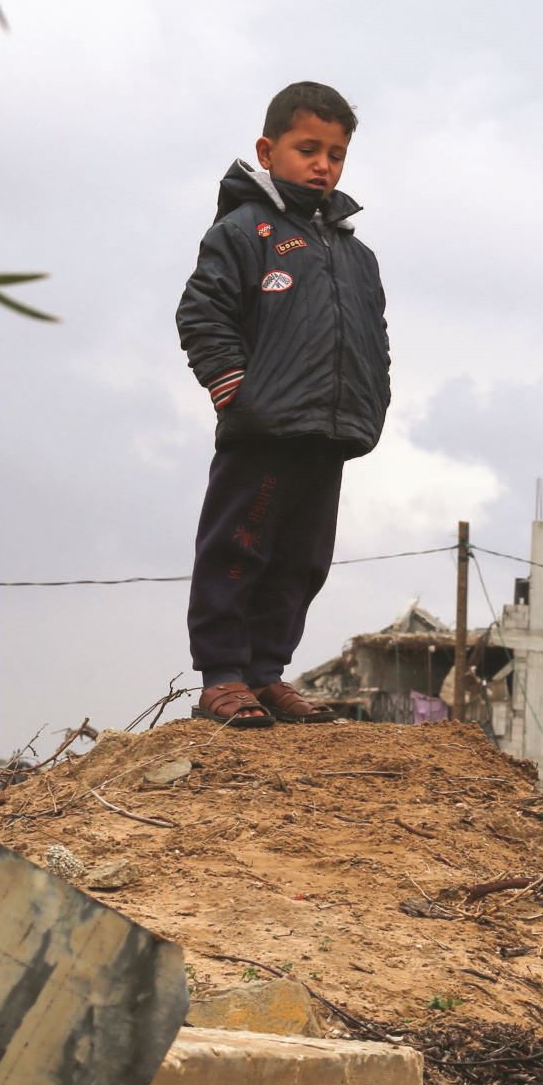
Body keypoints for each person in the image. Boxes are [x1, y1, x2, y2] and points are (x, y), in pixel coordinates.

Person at [176, 82, 390, 725]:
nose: (323, 164)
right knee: (238, 546)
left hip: (331, 431)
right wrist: (235, 391)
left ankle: (268, 675)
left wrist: (372, 402)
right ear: (268, 151)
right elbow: (201, 313)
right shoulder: (242, 232)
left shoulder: (357, 254)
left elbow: (375, 335)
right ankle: (222, 677)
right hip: (262, 428)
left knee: (301, 559)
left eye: (336, 153)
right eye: (307, 149)